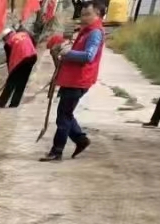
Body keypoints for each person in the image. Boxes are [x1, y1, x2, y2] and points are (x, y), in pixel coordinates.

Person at [41, 2, 105, 162]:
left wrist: (68, 53)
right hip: (72, 78)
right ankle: (80, 139)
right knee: (65, 114)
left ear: (98, 15)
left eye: (87, 14)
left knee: (63, 117)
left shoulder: (95, 33)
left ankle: (57, 151)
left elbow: (89, 56)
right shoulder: (86, 31)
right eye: (82, 14)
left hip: (79, 80)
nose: (83, 17)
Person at [0, 26, 39, 109]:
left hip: (21, 59)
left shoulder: (8, 43)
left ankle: (1, 103)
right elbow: (33, 42)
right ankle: (14, 103)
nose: (4, 41)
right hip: (32, 57)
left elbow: (9, 59)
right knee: (22, 81)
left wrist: (10, 73)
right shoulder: (24, 34)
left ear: (6, 37)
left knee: (11, 82)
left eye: (4, 39)